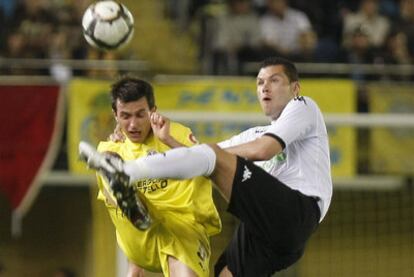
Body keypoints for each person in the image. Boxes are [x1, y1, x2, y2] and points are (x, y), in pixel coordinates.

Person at [80, 57, 333, 276]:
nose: (265, 87)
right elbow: (201, 163)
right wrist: (169, 140)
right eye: (259, 82)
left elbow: (262, 150)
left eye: (274, 80)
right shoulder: (255, 133)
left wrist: (213, 155)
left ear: (295, 88)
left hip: (298, 211)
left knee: (213, 154)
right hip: (268, 232)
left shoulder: (304, 106)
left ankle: (127, 172)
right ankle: (125, 173)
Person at [82, 77, 221, 277]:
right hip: (139, 240)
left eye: (140, 115)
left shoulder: (176, 133)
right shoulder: (113, 146)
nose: (132, 124)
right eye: (125, 116)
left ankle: (128, 194)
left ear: (153, 111)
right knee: (107, 158)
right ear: (115, 115)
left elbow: (205, 165)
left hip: (181, 230)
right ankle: (126, 194)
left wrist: (168, 140)